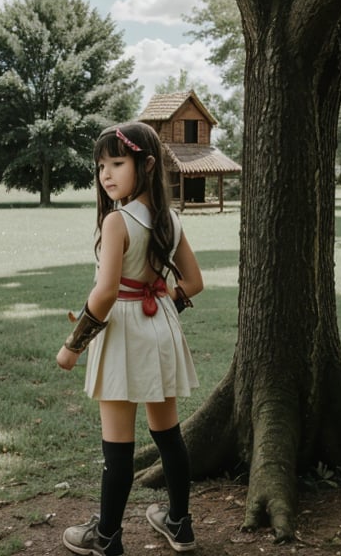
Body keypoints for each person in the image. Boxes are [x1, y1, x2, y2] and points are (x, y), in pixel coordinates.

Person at [56, 121, 204, 556]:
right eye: (101, 166)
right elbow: (193, 283)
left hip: (121, 333)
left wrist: (72, 346)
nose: (106, 174)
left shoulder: (117, 220)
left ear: (147, 164)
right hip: (160, 331)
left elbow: (104, 294)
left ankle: (106, 536)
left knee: (118, 443)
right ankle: (179, 524)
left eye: (117, 163)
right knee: (168, 435)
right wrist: (159, 297)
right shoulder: (170, 219)